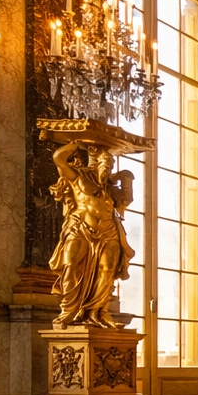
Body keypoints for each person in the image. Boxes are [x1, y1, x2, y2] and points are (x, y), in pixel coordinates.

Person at [49, 140, 134, 328]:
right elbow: (58, 158)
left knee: (107, 272)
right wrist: (74, 143)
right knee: (70, 265)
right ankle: (68, 311)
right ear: (94, 163)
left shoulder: (109, 189)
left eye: (110, 165)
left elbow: (126, 200)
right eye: (105, 164)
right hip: (80, 228)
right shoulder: (78, 177)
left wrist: (126, 177)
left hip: (109, 233)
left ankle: (100, 312)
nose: (108, 168)